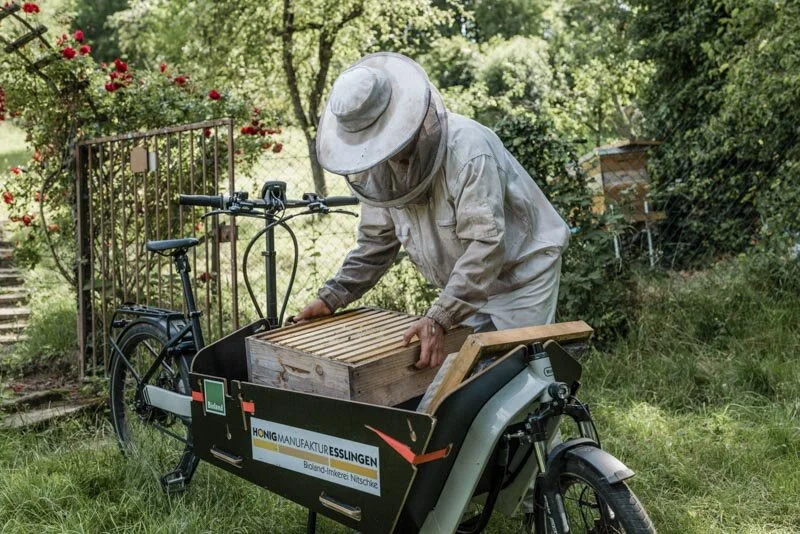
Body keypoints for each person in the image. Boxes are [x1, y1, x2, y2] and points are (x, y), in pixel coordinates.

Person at [296, 52, 570, 370]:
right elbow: (375, 244)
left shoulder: (467, 150)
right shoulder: (377, 171)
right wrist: (332, 297)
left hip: (521, 277)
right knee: (454, 383)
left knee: (517, 378)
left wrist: (440, 316)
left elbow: (485, 245)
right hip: (465, 285)